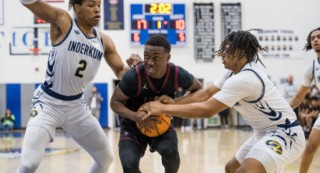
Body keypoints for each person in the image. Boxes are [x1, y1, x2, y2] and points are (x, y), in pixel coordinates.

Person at [140, 30, 305, 173]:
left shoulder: (246, 79)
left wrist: (162, 109)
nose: (221, 54)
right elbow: (206, 93)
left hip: (285, 133)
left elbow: (207, 110)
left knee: (246, 171)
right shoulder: (233, 73)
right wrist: (174, 103)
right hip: (262, 133)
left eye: (226, 50)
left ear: (240, 53)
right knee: (231, 169)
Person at [17, 0, 140, 172]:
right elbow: (31, 3)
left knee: (106, 159)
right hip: (48, 104)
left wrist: (134, 70)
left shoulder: (104, 41)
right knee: (28, 164)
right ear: (77, 8)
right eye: (91, 5)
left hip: (77, 107)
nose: (97, 9)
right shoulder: (63, 21)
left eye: (99, 5)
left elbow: (120, 72)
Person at [110, 34, 203, 173]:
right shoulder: (134, 76)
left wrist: (175, 104)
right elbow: (114, 102)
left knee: (171, 153)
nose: (150, 62)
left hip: (161, 121)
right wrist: (136, 116)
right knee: (129, 164)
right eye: (146, 57)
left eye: (156, 58)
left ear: (168, 58)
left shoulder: (177, 73)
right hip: (133, 124)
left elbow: (199, 90)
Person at [289, 27, 320, 173]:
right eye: (313, 38)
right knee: (310, 146)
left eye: (319, 37)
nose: (315, 40)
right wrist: (284, 111)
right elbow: (299, 96)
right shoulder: (312, 68)